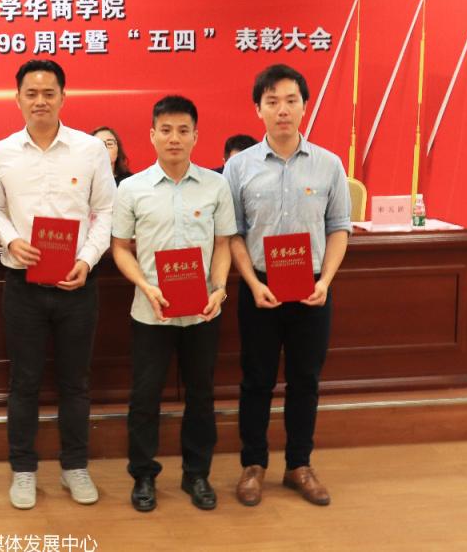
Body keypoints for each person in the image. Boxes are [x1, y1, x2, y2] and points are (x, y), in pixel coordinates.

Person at [0, 59, 115, 510]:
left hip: (77, 284)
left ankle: (74, 465)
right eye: (31, 93)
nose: (40, 101)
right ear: (17, 98)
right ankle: (23, 470)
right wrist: (11, 240)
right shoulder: (1, 152)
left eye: (48, 93)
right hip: (22, 285)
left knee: (75, 382)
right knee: (23, 382)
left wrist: (86, 259)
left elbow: (106, 210)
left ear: (63, 96)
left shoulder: (89, 150)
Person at [223, 64, 351, 508]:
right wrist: (250, 281)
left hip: (312, 287)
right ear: (257, 109)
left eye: (291, 100)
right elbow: (232, 232)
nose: (282, 110)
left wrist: (326, 280)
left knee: (305, 379)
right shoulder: (238, 167)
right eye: (272, 101)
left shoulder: (329, 164)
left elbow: (339, 228)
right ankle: (253, 465)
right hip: (259, 286)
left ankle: (299, 464)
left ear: (304, 106)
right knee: (256, 379)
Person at [111, 96, 235, 512]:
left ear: (196, 136)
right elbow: (120, 248)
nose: (174, 138)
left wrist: (219, 287)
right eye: (166, 130)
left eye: (183, 130)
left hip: (203, 311)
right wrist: (144, 286)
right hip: (151, 312)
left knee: (201, 394)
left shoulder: (216, 185)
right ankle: (143, 475)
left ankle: (196, 474)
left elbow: (223, 243)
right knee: (145, 396)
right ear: (152, 135)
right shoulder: (131, 189)